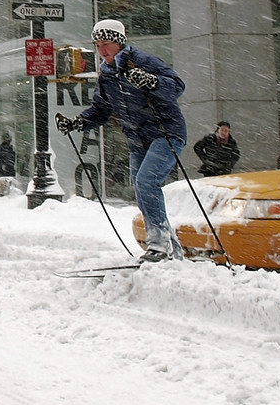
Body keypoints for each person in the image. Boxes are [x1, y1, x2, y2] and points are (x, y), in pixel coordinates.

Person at [57, 19, 186, 262]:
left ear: (119, 42)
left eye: (106, 44)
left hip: (165, 132)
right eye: (97, 45)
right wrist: (77, 123)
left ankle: (159, 246)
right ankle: (170, 247)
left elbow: (177, 86)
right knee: (141, 189)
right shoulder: (107, 73)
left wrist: (151, 81)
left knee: (147, 182)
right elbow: (101, 110)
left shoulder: (143, 61)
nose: (102, 50)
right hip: (137, 138)